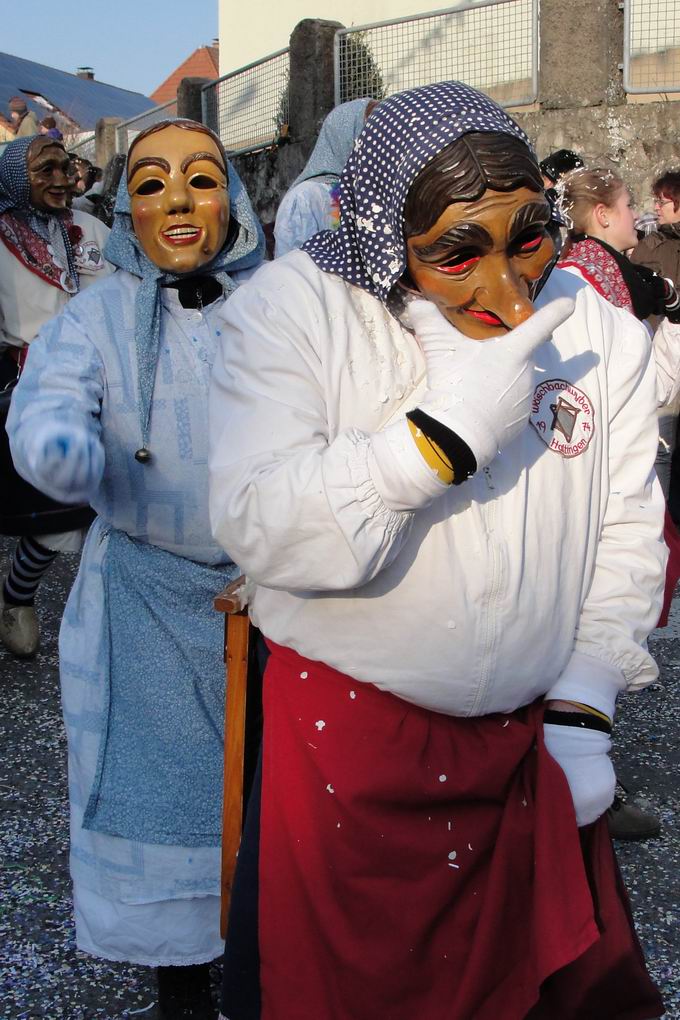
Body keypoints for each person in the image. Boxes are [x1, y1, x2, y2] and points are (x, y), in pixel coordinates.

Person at [209, 82, 665, 1020]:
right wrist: (435, 442)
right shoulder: (297, 312)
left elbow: (625, 526)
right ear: (389, 238)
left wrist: (585, 702)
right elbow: (256, 520)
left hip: (529, 753)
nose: (504, 290)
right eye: (458, 252)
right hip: (349, 761)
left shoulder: (597, 331)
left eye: (527, 239)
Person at [7, 118, 265, 1020]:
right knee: (166, 810)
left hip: (278, 599)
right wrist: (56, 446)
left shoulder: (283, 304)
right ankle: (181, 987)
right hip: (146, 604)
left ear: (231, 196)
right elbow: (54, 394)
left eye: (200, 179)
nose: (178, 201)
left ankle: (271, 965)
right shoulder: (97, 314)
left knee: (278, 799)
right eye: (151, 183)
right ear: (125, 208)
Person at [0, 135, 112, 657]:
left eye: (66, 167)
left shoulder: (90, 230)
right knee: (54, 509)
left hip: (110, 382)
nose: (63, 179)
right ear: (19, 180)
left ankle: (116, 611)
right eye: (46, 170)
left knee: (113, 504)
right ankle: (17, 598)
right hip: (34, 387)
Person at [273, 97, 375, 257]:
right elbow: (291, 270)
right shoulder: (305, 199)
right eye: (371, 135)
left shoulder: (367, 192)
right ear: (345, 138)